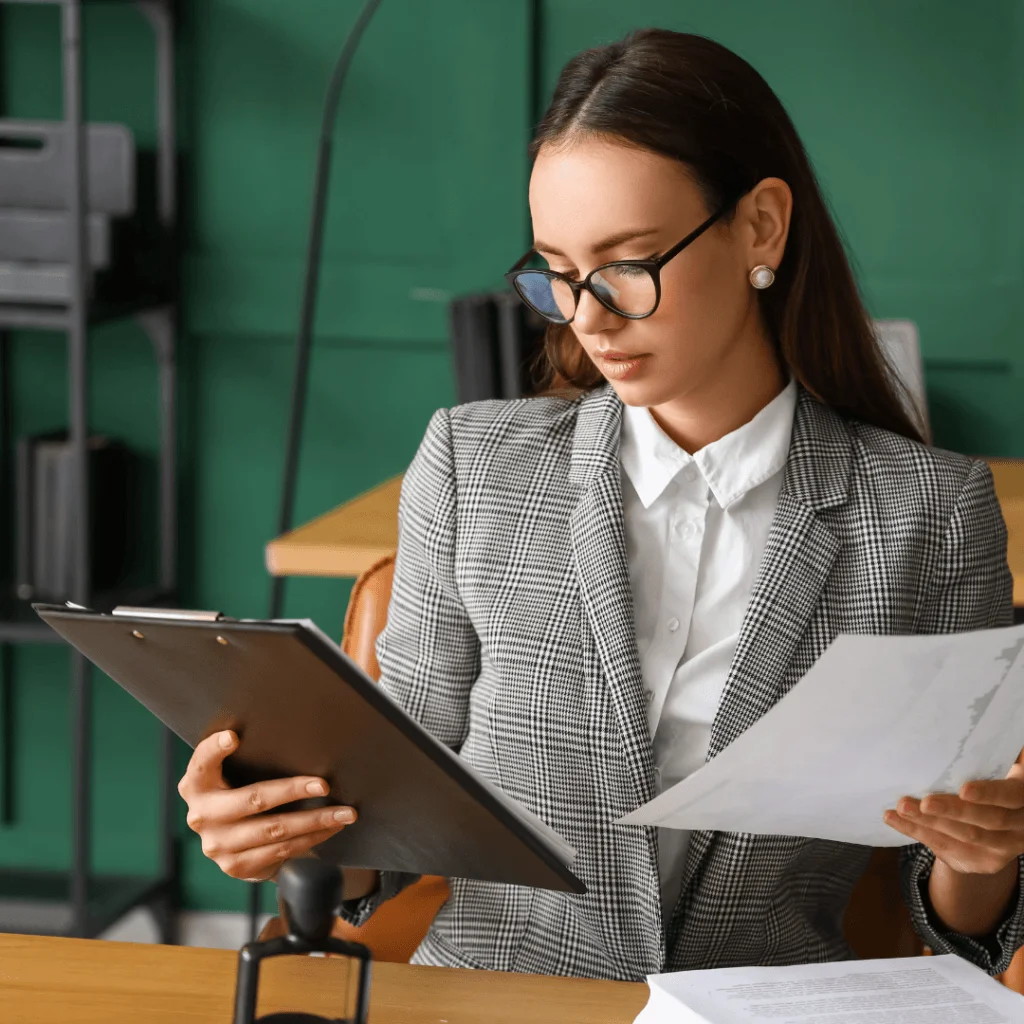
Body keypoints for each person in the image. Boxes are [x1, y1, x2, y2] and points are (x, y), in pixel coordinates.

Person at [177, 28, 1024, 981]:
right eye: (560, 272)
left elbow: (946, 900)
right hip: (494, 1005)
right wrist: (286, 826)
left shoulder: (929, 514)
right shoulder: (474, 467)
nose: (588, 317)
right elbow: (391, 813)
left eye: (628, 264)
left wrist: (978, 853)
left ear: (761, 227)